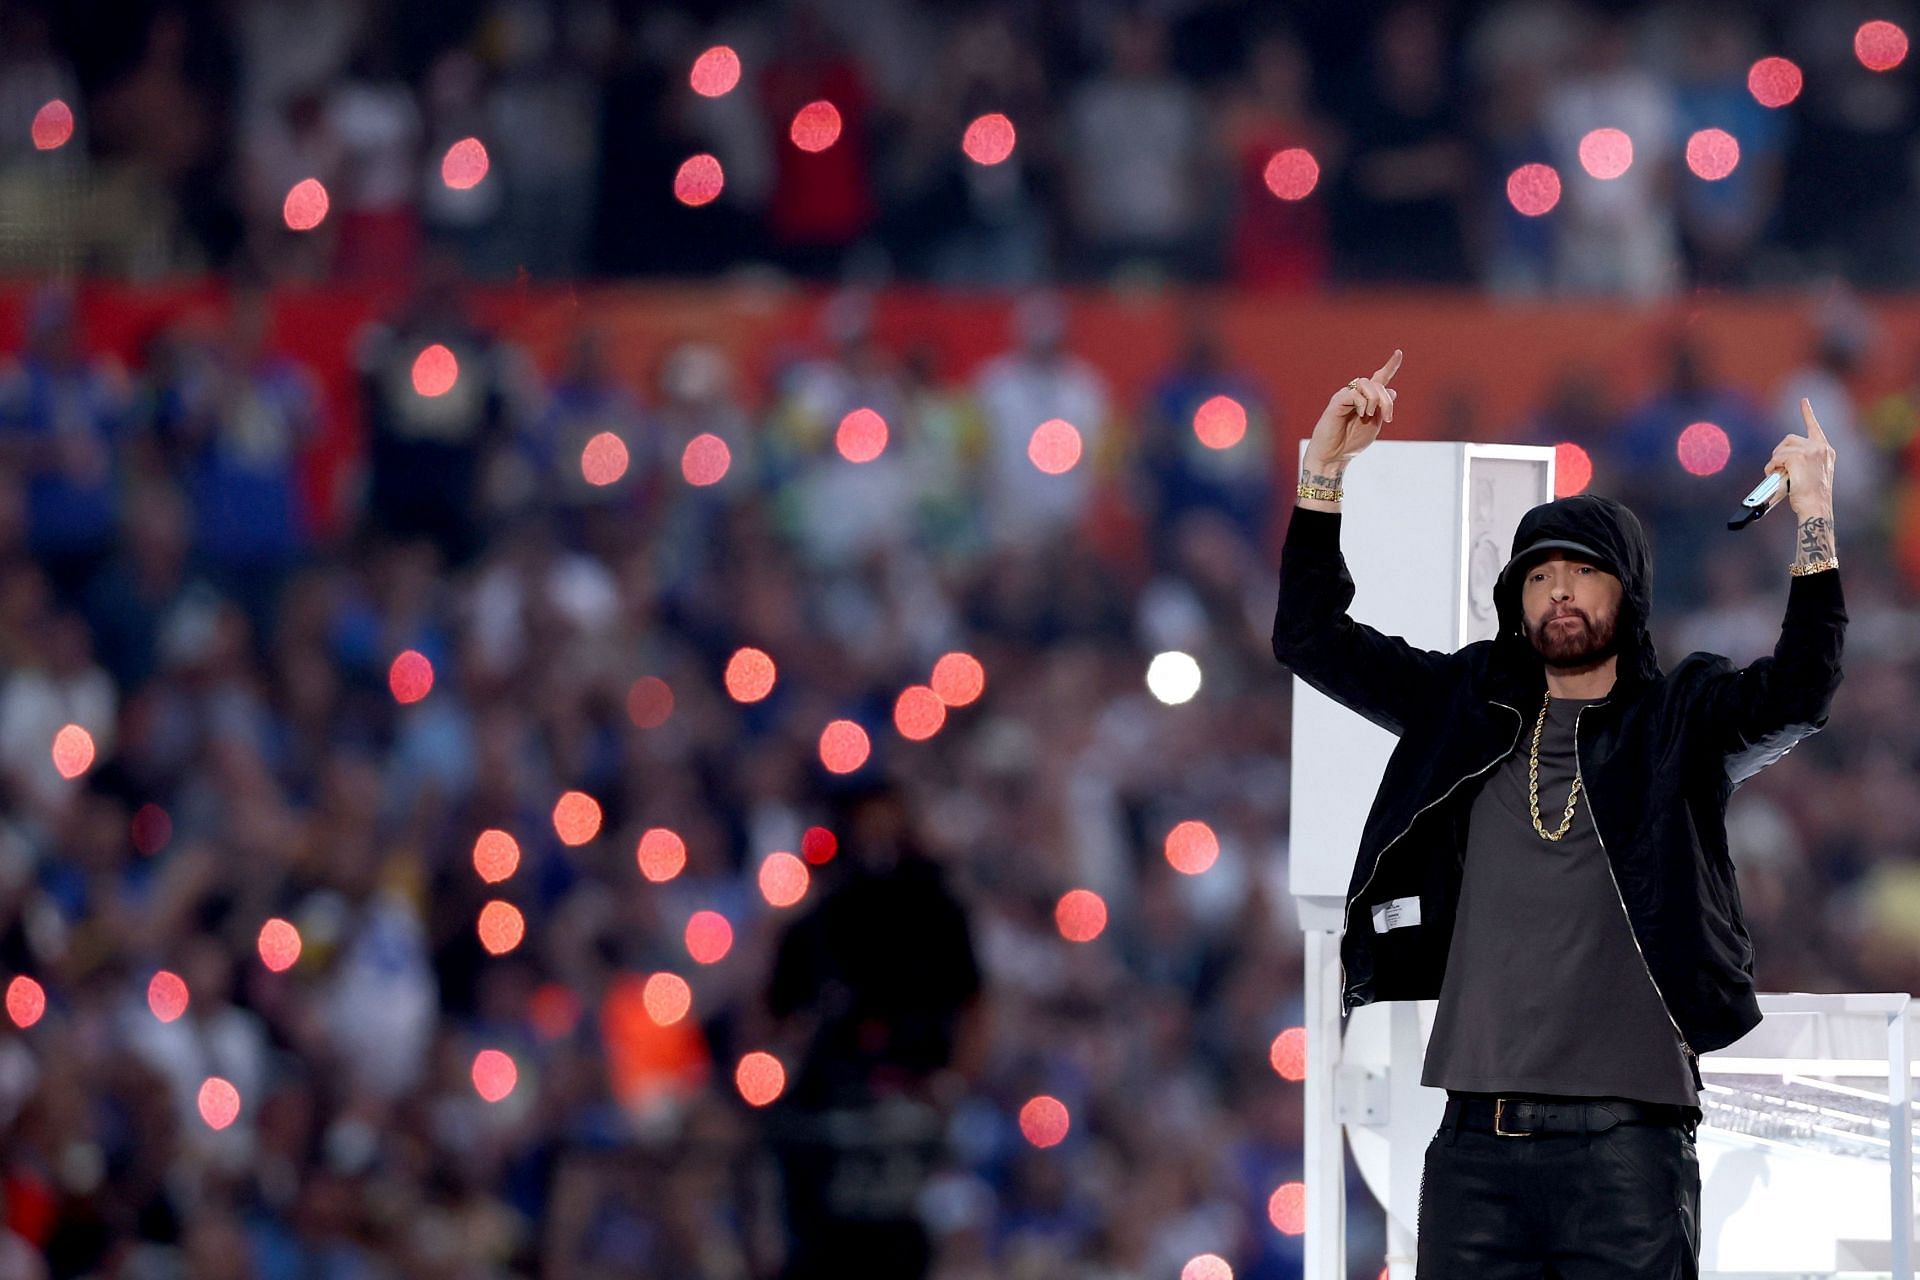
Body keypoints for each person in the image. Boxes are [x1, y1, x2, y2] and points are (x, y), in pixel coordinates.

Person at [1271, 351, 1846, 1276]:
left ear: (1629, 591)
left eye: (1583, 573)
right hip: (1474, 1145)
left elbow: (1802, 690)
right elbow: (1311, 638)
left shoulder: (1678, 720)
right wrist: (1325, 474)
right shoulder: (1467, 704)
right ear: (1515, 599)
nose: (1561, 593)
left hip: (1629, 1148)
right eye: (1539, 577)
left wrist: (1813, 517)